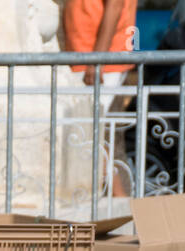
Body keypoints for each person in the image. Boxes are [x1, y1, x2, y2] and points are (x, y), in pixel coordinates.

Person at [62, 0, 138, 197]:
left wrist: (97, 61)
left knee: (99, 140)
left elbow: (115, 6)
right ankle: (126, 216)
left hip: (102, 63)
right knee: (103, 140)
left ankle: (127, 216)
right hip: (90, 59)